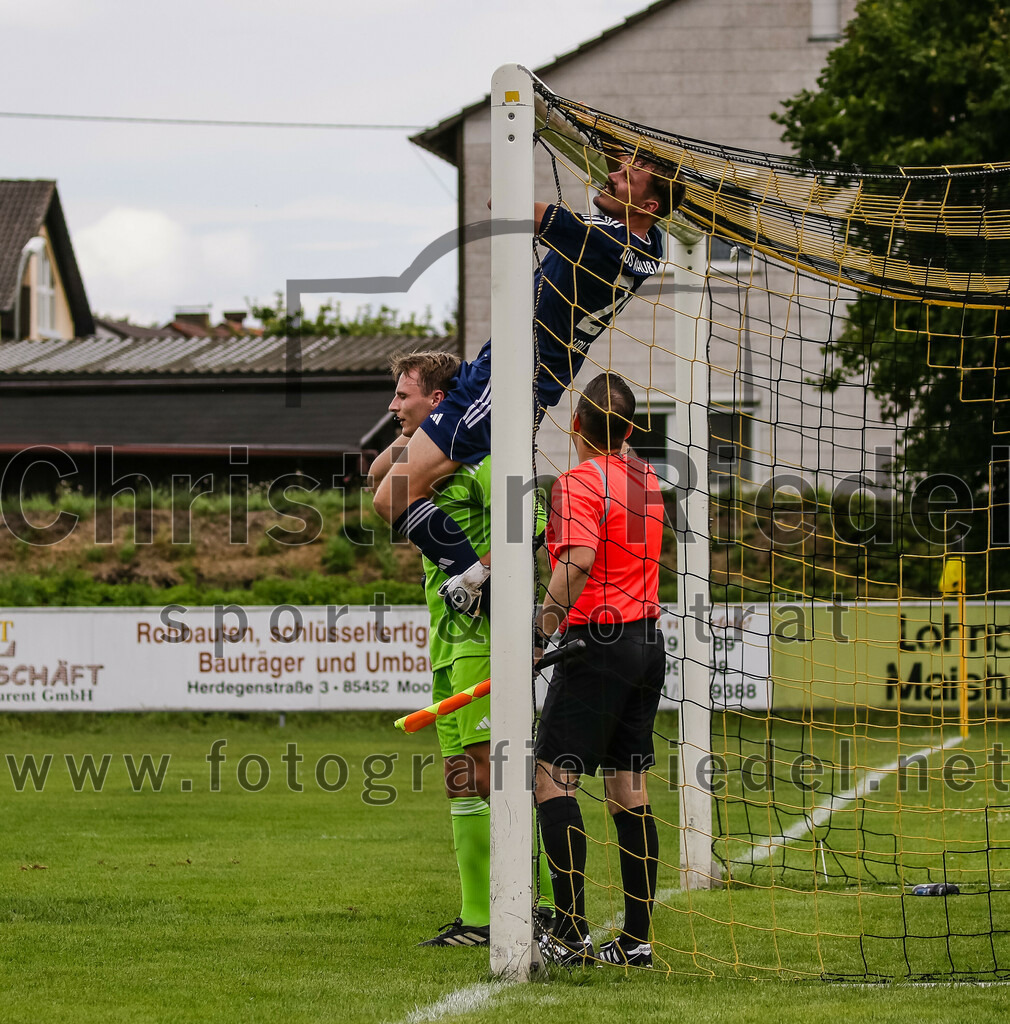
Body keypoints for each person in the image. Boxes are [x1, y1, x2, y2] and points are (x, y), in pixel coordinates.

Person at [370, 154, 684, 617]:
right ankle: (477, 568)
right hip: (514, 377)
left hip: (507, 380)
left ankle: (484, 592)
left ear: (650, 205)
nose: (611, 175)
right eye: (617, 167)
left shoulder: (601, 240)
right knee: (381, 473)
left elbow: (507, 203)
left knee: (391, 495)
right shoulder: (649, 246)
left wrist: (518, 138)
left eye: (626, 176)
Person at [372, 350, 554, 946]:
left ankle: (542, 906)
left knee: (495, 772)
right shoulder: (431, 463)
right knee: (460, 775)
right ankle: (479, 917)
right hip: (446, 639)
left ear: (440, 402)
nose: (393, 406)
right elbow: (378, 477)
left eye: (404, 396)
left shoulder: (482, 460)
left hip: (484, 639)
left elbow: (530, 524)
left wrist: (480, 575)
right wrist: (416, 435)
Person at [532, 372, 666, 969]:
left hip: (595, 646)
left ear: (575, 425)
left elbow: (582, 559)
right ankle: (635, 941)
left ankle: (570, 933)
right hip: (645, 645)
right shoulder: (647, 480)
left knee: (551, 780)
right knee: (627, 789)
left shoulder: (577, 481)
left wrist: (540, 630)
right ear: (632, 430)